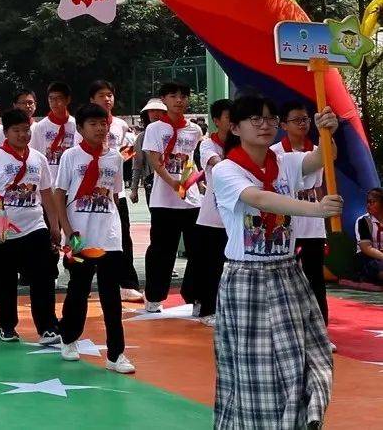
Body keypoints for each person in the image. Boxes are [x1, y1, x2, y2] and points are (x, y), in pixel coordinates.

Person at [211, 94, 339, 429]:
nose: (264, 124)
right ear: (235, 127)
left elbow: (319, 159)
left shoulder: (286, 161)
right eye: (255, 118)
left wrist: (329, 133)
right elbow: (258, 197)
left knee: (309, 356)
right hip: (247, 279)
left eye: (269, 117)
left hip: (287, 273)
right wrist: (317, 209)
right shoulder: (226, 169)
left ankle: (299, 421)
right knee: (256, 372)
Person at [54, 103, 135, 374]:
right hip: (79, 235)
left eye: (103, 124)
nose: (100, 128)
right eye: (93, 124)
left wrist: (119, 230)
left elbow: (114, 195)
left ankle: (116, 354)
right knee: (79, 287)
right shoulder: (71, 157)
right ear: (80, 128)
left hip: (109, 235)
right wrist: (66, 229)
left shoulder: (115, 157)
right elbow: (59, 194)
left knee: (111, 294)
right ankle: (68, 338)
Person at [0, 108, 62, 344]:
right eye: (16, 131)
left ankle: (47, 327)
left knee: (43, 277)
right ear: (6, 133)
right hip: (3, 232)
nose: (22, 135)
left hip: (35, 226)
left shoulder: (38, 158)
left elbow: (47, 194)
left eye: (26, 130)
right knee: (5, 281)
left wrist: (54, 225)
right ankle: (6, 326)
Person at [142, 81, 203, 313]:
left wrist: (197, 182)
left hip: (191, 199)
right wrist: (175, 184)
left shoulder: (195, 130)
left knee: (197, 249)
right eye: (173, 96)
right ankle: (154, 296)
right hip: (163, 200)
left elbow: (191, 160)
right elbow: (155, 162)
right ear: (163, 100)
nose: (179, 100)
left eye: (184, 95)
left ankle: (196, 296)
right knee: (161, 250)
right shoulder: (155, 129)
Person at [271, 101, 330, 332]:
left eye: (305, 119)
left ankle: (320, 330)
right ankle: (287, 329)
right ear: (284, 125)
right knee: (284, 279)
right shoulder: (275, 154)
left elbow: (321, 186)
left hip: (313, 226)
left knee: (315, 279)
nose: (303, 124)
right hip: (286, 227)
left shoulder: (317, 150)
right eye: (297, 120)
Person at [85, 80, 143, 302]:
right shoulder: (82, 124)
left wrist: (119, 158)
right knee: (87, 234)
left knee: (122, 235)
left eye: (109, 95)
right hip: (88, 192)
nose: (107, 99)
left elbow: (128, 151)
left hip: (113, 189)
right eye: (101, 95)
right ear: (92, 100)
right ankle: (83, 278)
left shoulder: (120, 124)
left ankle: (127, 283)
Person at [191, 99, 231, 327]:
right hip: (212, 216)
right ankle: (207, 308)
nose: (234, 121)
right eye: (228, 117)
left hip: (234, 217)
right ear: (216, 121)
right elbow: (217, 163)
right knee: (210, 265)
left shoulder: (241, 143)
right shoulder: (208, 144)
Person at [30, 81, 76, 184]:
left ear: (67, 100)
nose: (54, 102)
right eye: (51, 99)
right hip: (48, 180)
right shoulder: (40, 126)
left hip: (70, 178)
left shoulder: (76, 125)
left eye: (59, 98)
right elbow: (34, 154)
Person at [129, 98, 167, 205]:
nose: (155, 114)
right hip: (152, 182)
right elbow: (137, 164)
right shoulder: (142, 137)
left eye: (159, 110)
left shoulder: (173, 133)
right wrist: (134, 189)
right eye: (151, 111)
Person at [355, 188, 383, 284]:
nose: (368, 205)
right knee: (377, 266)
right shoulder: (363, 221)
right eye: (368, 202)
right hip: (368, 257)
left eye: (373, 202)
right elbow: (366, 248)